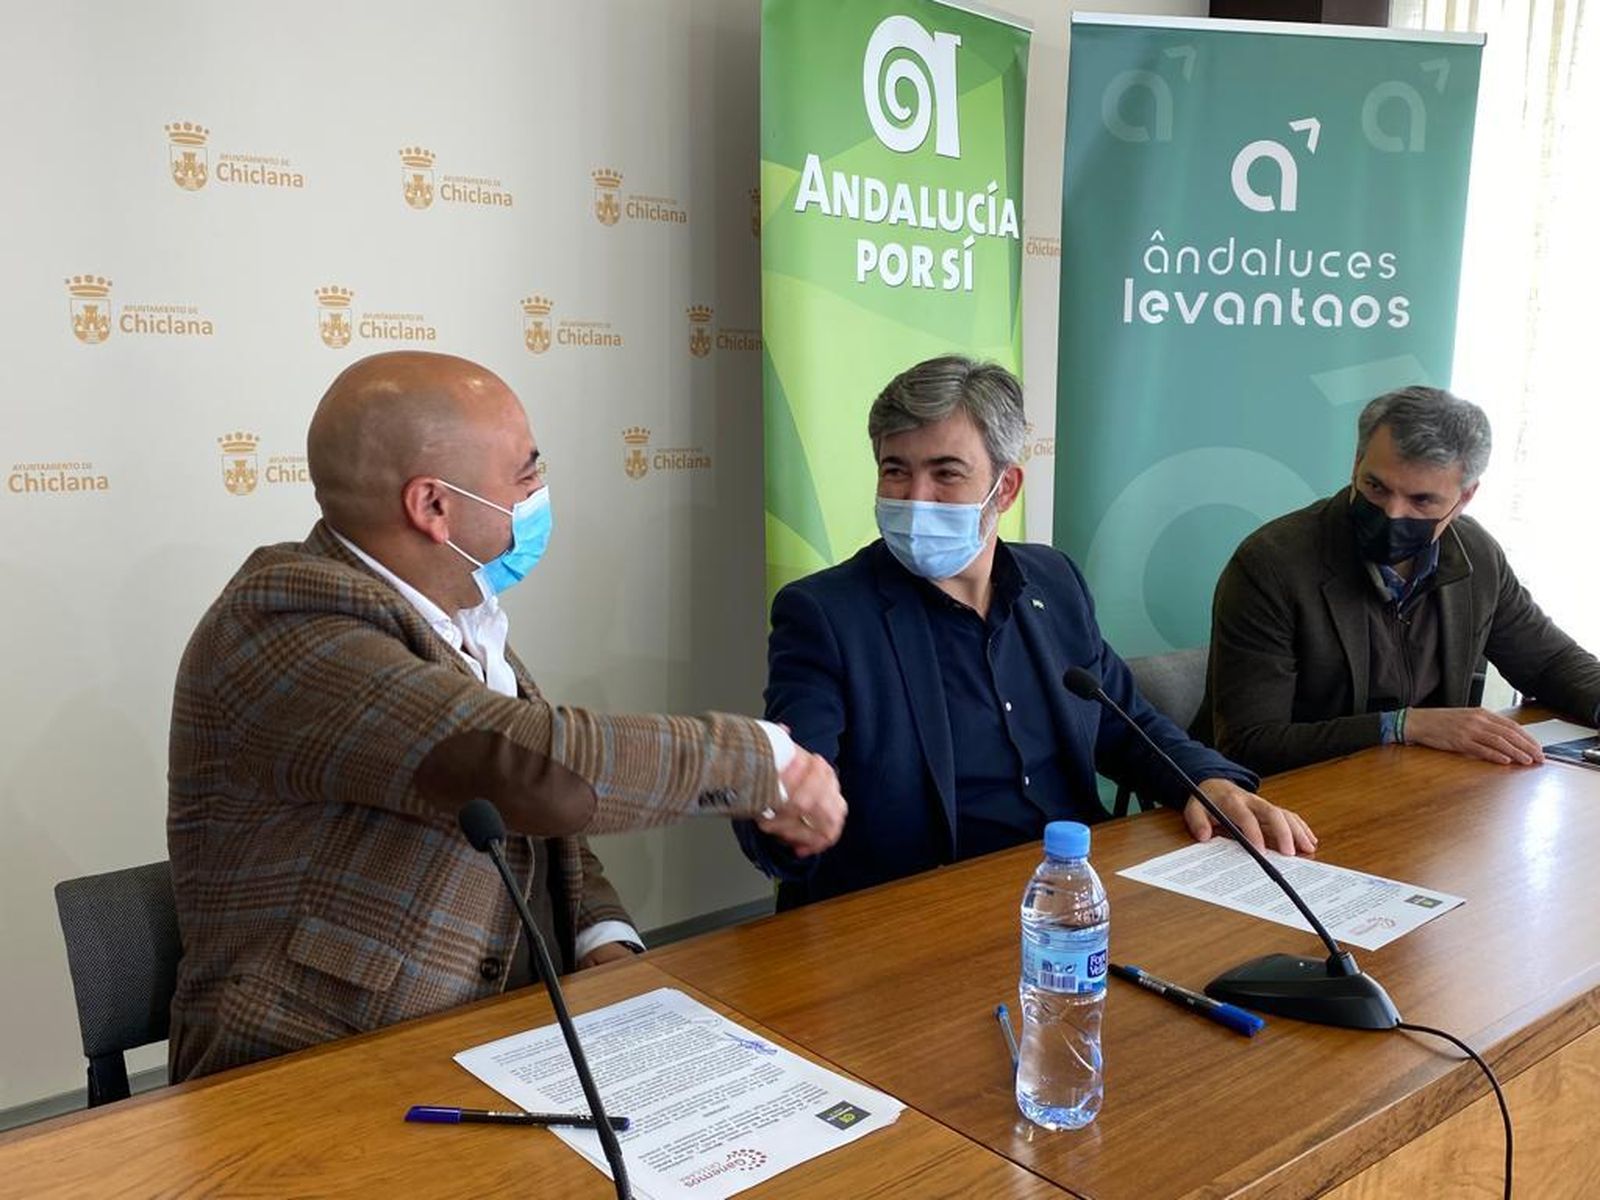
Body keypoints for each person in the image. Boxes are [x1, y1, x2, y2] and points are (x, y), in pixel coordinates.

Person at [168, 351, 845, 1080]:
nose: (540, 494)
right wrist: (763, 760)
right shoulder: (287, 622)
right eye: (526, 475)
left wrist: (601, 940)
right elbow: (522, 766)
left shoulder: (455, 614)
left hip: (492, 1038)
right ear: (433, 506)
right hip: (314, 1067)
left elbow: (537, 822)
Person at [734, 355, 1313, 909]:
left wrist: (1208, 779)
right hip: (921, 915)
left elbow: (1121, 721)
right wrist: (781, 804)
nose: (915, 498)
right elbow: (795, 775)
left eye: (946, 474)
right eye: (896, 472)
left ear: (1004, 489)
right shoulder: (826, 614)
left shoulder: (1052, 580)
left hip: (1074, 896)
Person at [1196, 384, 1600, 777]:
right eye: (1376, 486)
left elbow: (1549, 662)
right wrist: (1403, 727)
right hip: (1294, 802)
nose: (1392, 513)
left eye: (1421, 500)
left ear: (1465, 497)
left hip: (1420, 793)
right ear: (1356, 464)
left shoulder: (1476, 553)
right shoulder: (1271, 564)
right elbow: (1250, 744)